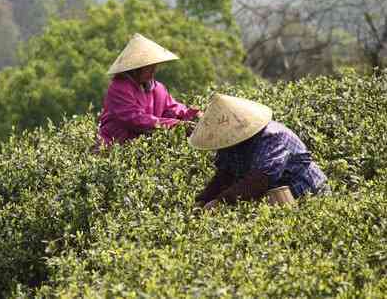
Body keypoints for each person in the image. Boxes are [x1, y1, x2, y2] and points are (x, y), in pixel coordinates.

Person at [188, 94, 329, 209]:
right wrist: (204, 199)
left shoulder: (272, 137)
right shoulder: (229, 142)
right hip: (276, 197)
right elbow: (225, 175)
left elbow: (260, 180)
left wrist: (220, 202)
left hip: (308, 194)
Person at [96, 33, 202, 147]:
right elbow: (135, 119)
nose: (153, 71)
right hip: (114, 148)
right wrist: (177, 125)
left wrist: (194, 114)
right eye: (149, 68)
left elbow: (173, 109)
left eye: (154, 67)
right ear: (136, 68)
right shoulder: (119, 88)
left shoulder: (158, 89)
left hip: (143, 148)